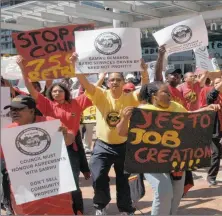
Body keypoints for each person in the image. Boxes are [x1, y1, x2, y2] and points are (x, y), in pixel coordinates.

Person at [116, 81, 220, 215]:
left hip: (175, 161)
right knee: (164, 192)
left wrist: (206, 109)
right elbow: (122, 132)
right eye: (165, 92)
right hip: (151, 160)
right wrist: (124, 118)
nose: (170, 95)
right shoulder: (143, 111)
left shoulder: (176, 106)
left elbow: (189, 118)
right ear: (154, 96)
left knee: (175, 196)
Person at [70, 52, 149, 215]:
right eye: (112, 79)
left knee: (124, 180)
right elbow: (83, 81)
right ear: (107, 82)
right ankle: (101, 205)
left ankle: (126, 209)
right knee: (98, 177)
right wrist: (75, 64)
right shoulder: (99, 94)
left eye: (118, 80)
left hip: (124, 146)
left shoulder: (131, 97)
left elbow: (145, 89)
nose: (114, 82)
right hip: (102, 146)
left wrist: (143, 71)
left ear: (123, 82)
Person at [16, 55, 92, 215]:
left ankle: (77, 210)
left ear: (66, 92)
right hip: (52, 150)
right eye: (54, 91)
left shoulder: (77, 103)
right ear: (50, 94)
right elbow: (31, 89)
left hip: (71, 148)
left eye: (60, 91)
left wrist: (75, 65)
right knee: (56, 183)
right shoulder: (48, 106)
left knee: (73, 183)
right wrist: (23, 69)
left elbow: (90, 88)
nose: (57, 93)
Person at [1, 95, 76, 215]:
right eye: (12, 109)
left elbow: (70, 140)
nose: (14, 112)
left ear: (32, 110)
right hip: (26, 189)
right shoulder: (8, 131)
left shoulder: (49, 122)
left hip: (53, 184)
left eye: (18, 109)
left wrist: (65, 135)